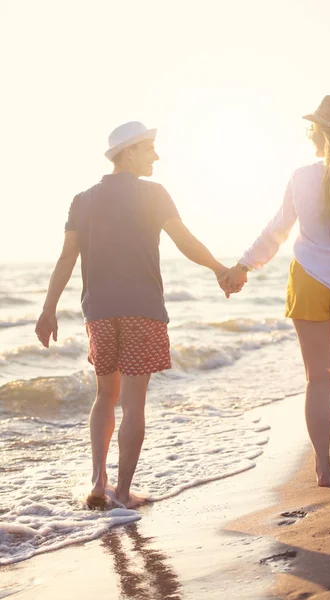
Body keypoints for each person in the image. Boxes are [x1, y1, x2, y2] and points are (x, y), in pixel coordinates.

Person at [35, 121, 229, 508]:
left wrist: (47, 310)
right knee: (133, 402)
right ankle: (122, 494)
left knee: (105, 394)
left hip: (100, 312)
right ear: (128, 152)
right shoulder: (154, 194)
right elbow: (185, 241)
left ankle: (97, 482)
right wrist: (219, 269)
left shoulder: (82, 200)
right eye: (149, 148)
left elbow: (65, 258)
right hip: (143, 310)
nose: (156, 155)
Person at [221, 96, 330, 486]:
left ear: (321, 134)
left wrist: (243, 267)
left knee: (318, 376)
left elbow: (277, 230)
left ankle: (322, 466)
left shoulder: (302, 176)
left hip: (309, 282)